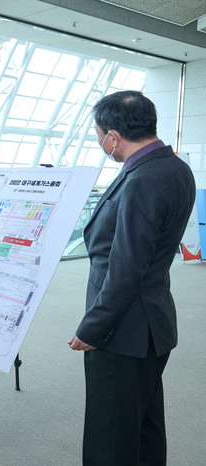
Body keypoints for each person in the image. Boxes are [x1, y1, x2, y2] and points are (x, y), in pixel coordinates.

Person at [68, 90, 195, 465]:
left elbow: (126, 269)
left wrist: (93, 328)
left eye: (98, 134)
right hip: (150, 325)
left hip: (124, 333)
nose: (99, 142)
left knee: (110, 438)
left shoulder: (142, 179)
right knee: (143, 429)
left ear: (113, 136)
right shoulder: (174, 167)